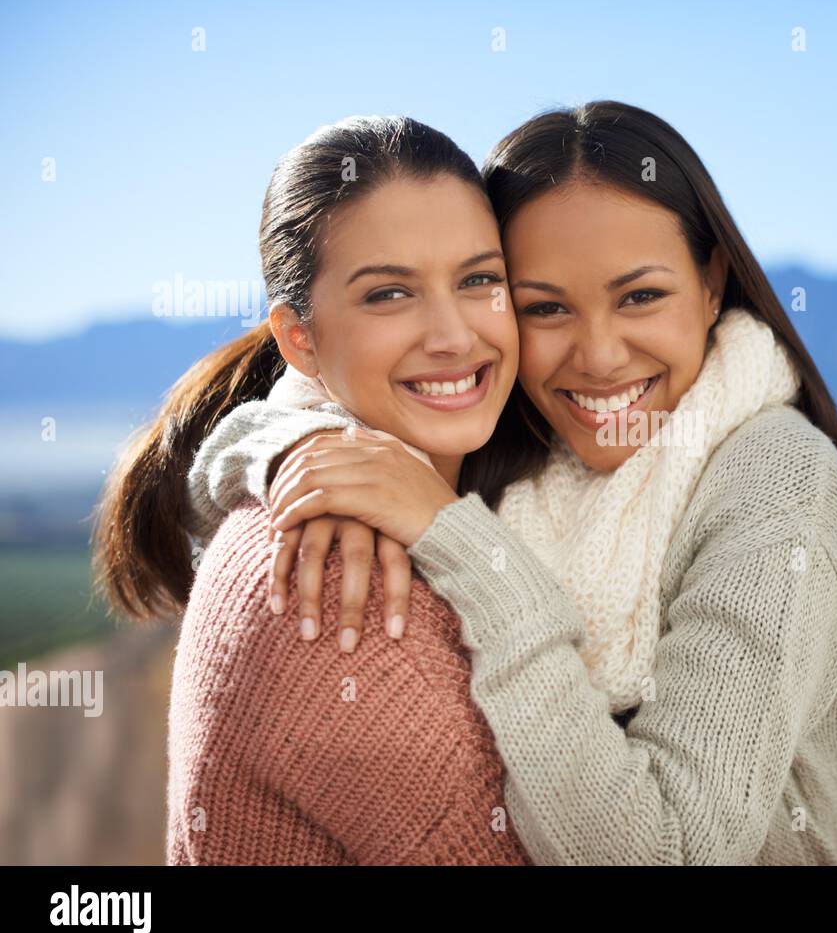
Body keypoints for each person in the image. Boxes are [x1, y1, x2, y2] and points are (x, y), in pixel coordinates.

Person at [187, 102, 837, 865]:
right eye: (544, 306)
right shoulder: (519, 436)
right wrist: (302, 445)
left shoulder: (777, 481)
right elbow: (287, 404)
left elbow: (670, 853)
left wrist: (457, 539)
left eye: (640, 295)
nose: (601, 355)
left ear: (712, 282)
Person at [95, 116, 530, 864]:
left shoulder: (454, 495)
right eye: (390, 294)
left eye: (479, 279)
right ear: (299, 339)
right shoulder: (330, 582)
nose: (454, 334)